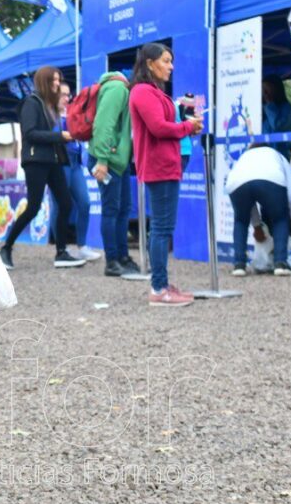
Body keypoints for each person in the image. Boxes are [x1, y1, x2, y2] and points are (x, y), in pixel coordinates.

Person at [129, 43, 203, 307]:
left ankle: (161, 284)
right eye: (166, 61)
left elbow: (163, 126)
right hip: (159, 166)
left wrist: (185, 126)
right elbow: (159, 128)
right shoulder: (142, 91)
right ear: (150, 63)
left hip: (165, 164)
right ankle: (159, 289)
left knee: (162, 228)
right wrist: (186, 126)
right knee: (161, 228)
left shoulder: (151, 91)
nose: (171, 67)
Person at [0, 66, 81, 271]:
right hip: (35, 161)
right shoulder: (31, 103)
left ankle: (61, 252)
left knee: (65, 203)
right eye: (54, 80)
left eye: (59, 79)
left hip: (52, 160)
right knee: (33, 207)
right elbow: (30, 133)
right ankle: (6, 247)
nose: (57, 83)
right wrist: (60, 137)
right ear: (44, 81)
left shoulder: (49, 105)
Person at [89, 69, 140, 277]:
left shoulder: (119, 89)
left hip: (118, 160)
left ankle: (122, 256)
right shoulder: (117, 88)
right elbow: (104, 124)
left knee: (123, 209)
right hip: (108, 160)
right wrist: (102, 159)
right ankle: (112, 260)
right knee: (112, 210)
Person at [224, 144, 291, 276]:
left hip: (236, 182)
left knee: (240, 220)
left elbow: (249, 201)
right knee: (279, 220)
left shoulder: (243, 157)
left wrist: (257, 226)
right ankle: (280, 263)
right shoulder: (279, 156)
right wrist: (290, 220)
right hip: (272, 178)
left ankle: (239, 265)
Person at [51, 82, 98, 263]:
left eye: (68, 94)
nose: (66, 98)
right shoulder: (50, 114)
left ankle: (82, 246)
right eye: (63, 94)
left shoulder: (72, 113)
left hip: (76, 163)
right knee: (59, 205)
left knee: (85, 203)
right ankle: (60, 248)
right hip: (59, 163)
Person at [261, 75, 291, 140]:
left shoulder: (287, 108)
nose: (265, 93)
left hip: (280, 148)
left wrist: (269, 104)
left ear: (276, 89)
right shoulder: (263, 107)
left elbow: (277, 126)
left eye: (267, 89)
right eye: (263, 89)